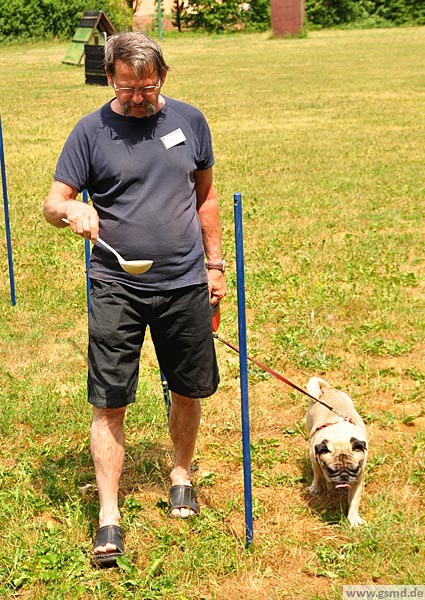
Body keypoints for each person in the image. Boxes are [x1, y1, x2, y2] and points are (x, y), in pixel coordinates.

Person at [43, 31, 226, 568]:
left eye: (147, 87)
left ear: (162, 75)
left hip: (184, 281)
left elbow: (206, 197)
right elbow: (53, 202)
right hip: (116, 285)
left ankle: (181, 474)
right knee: (110, 400)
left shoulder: (190, 121)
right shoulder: (90, 131)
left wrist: (215, 265)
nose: (138, 98)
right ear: (110, 78)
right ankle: (109, 514)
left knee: (188, 388)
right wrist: (71, 210)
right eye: (127, 89)